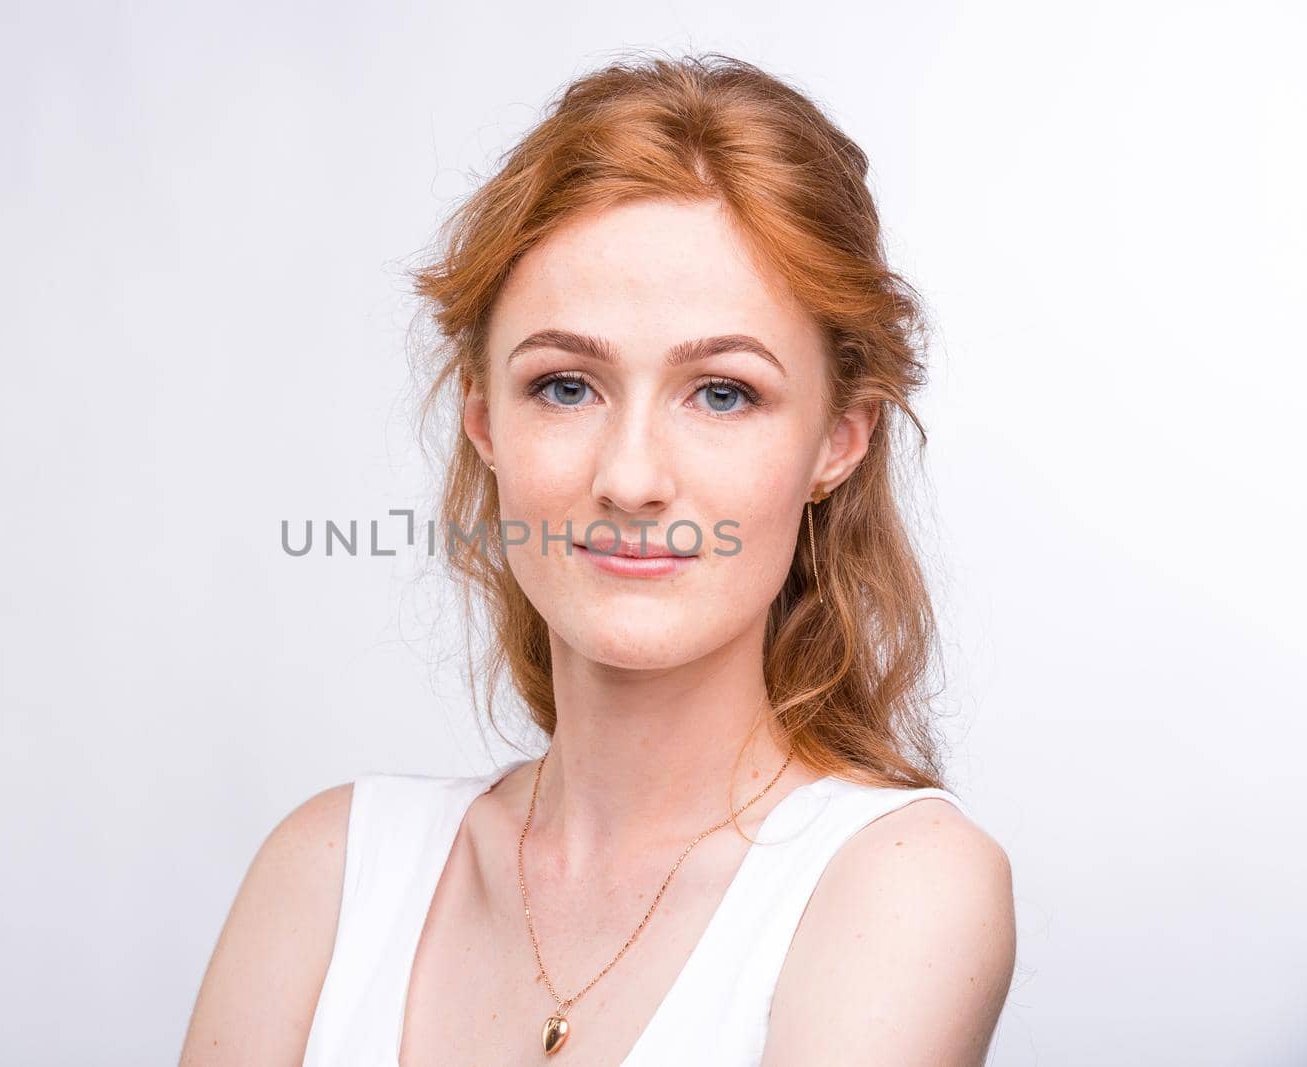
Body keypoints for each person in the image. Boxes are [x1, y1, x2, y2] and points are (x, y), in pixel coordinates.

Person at [181, 51, 1016, 1066]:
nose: (629, 479)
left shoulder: (896, 884)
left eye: (721, 392)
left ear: (838, 441)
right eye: (567, 386)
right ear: (483, 418)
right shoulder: (326, 871)